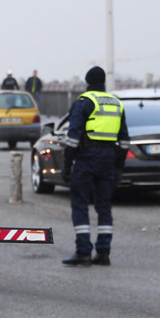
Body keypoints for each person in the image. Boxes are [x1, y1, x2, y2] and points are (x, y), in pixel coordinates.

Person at [61, 66, 130, 267]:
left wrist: (67, 166)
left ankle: (83, 251)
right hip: (108, 158)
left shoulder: (84, 102)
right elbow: (125, 140)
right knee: (104, 206)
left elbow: (72, 139)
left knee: (80, 203)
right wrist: (118, 166)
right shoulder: (117, 103)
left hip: (86, 158)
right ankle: (103, 253)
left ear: (88, 83)